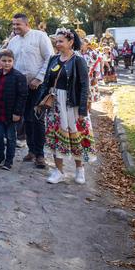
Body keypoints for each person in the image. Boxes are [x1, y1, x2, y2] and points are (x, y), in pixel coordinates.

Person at [41, 29, 95, 184]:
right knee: (56, 136)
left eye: (61, 41)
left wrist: (83, 110)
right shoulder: (53, 59)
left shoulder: (78, 60)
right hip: (55, 104)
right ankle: (58, 170)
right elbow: (46, 82)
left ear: (70, 42)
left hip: (72, 103)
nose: (57, 44)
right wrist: (41, 100)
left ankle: (80, 169)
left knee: (76, 135)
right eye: (56, 42)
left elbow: (85, 85)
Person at [6, 13, 54, 169]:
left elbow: (49, 58)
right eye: (13, 24)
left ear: (27, 24)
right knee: (25, 119)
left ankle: (40, 154)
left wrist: (39, 78)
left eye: (18, 24)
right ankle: (31, 150)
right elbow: (9, 62)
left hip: (37, 86)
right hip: (19, 87)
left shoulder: (40, 37)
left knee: (37, 118)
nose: (15, 27)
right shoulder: (13, 42)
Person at [0, 49, 27, 170]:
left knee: (11, 138)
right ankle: (0, 156)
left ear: (13, 61)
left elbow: (22, 96)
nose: (7, 63)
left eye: (9, 61)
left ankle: (9, 160)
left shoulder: (18, 77)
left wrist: (17, 113)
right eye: (4, 61)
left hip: (11, 113)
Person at [80, 39, 102, 105]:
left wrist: (96, 77)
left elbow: (97, 66)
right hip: (79, 77)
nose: (80, 45)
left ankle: (88, 109)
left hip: (90, 76)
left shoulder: (93, 53)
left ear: (87, 45)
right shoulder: (77, 53)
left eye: (82, 44)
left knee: (90, 94)